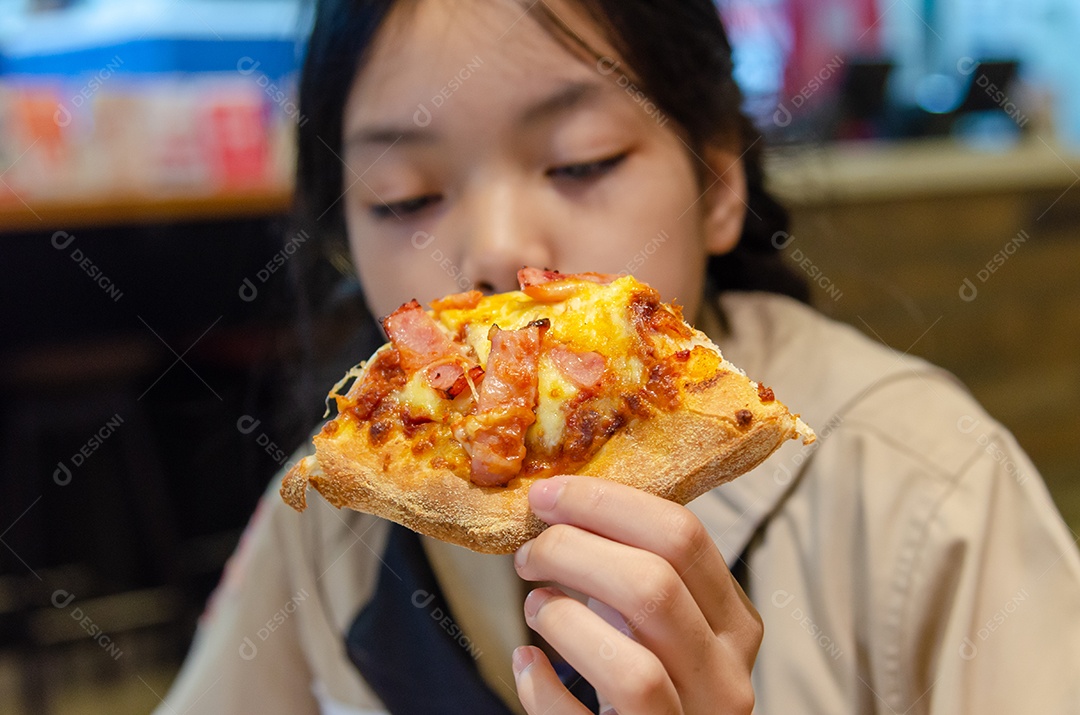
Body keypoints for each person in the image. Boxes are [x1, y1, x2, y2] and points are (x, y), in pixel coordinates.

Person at [156, 1, 1080, 713]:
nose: (497, 250)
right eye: (404, 196)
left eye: (583, 160)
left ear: (719, 182)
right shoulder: (330, 515)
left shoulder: (927, 483)